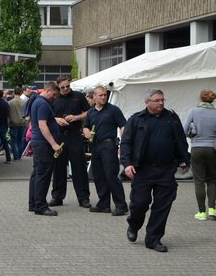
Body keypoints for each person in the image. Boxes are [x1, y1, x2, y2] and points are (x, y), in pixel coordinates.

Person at [120, 89, 190, 253]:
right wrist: (127, 163)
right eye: (157, 100)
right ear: (147, 102)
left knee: (162, 206)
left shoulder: (172, 118)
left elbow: (180, 140)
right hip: (142, 170)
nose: (161, 103)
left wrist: (184, 159)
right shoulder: (137, 119)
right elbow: (126, 143)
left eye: (162, 100)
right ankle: (134, 224)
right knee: (139, 204)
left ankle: (153, 239)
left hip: (165, 170)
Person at [82, 85, 129, 215]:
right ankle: (103, 204)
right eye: (101, 95)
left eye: (105, 95)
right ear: (94, 97)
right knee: (98, 176)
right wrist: (86, 133)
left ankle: (121, 205)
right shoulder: (91, 112)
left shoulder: (113, 110)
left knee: (111, 175)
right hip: (95, 146)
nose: (103, 97)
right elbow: (85, 126)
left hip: (109, 146)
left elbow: (123, 126)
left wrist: (125, 144)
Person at [183, 89, 216, 221]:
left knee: (199, 181)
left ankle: (201, 212)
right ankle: (212, 209)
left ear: (201, 99)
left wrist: (193, 134)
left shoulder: (193, 111)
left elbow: (184, 130)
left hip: (197, 148)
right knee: (212, 180)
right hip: (213, 149)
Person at [50, 76, 91, 208]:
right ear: (58, 87)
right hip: (60, 136)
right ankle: (57, 197)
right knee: (58, 168)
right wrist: (56, 119)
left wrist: (77, 117)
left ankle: (83, 198)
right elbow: (48, 115)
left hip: (75, 136)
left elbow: (88, 112)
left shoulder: (78, 96)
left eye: (68, 86)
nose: (66, 89)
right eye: (63, 87)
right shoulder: (54, 98)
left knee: (79, 167)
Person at [27, 82, 64, 216]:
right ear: (48, 90)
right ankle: (40, 206)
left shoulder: (37, 101)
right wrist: (54, 144)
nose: (54, 97)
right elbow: (43, 126)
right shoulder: (42, 104)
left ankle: (34, 203)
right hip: (43, 144)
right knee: (43, 174)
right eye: (53, 94)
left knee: (37, 173)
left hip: (39, 143)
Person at [8, 86, 28, 161]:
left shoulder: (10, 103)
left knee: (14, 140)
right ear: (21, 93)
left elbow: (8, 114)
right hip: (22, 123)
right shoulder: (24, 102)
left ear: (14, 92)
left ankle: (16, 156)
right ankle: (19, 156)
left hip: (13, 123)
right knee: (20, 140)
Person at [0, 88, 12, 163]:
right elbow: (8, 113)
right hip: (4, 124)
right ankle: (8, 158)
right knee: (5, 142)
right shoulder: (6, 103)